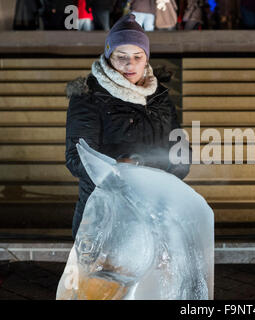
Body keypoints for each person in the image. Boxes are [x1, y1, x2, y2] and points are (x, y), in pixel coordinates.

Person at [65, 13, 191, 239]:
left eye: (137, 56)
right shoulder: (88, 96)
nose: (130, 63)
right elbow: (77, 157)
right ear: (108, 56)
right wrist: (118, 169)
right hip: (104, 216)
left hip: (154, 213)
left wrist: (173, 170)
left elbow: (180, 150)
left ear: (146, 59)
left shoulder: (159, 96)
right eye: (121, 56)